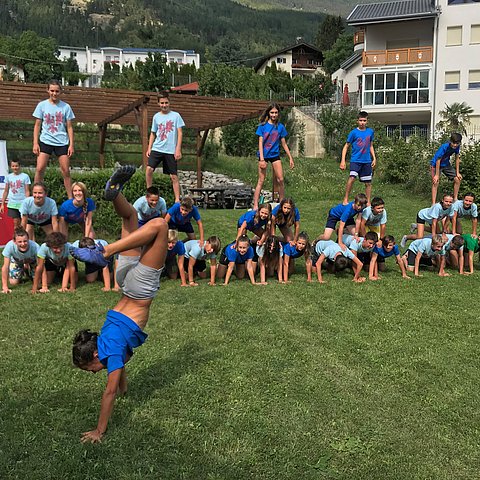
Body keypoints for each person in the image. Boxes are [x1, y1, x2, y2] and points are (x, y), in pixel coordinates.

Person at [70, 165, 168, 444]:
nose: (93, 374)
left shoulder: (109, 354)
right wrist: (124, 388)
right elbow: (121, 362)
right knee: (132, 217)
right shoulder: (106, 339)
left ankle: (106, 250)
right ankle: (115, 196)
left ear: (94, 358)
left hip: (139, 289)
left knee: (160, 226)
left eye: (90, 370)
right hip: (123, 282)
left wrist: (99, 431)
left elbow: (108, 393)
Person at [32, 80, 75, 197]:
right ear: (48, 91)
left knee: (66, 170)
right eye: (52, 91)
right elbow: (37, 125)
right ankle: (36, 194)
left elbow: (70, 127)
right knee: (40, 168)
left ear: (60, 92)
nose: (54, 93)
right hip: (45, 140)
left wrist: (71, 145)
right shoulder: (42, 105)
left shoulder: (66, 107)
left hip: (62, 142)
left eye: (57, 91)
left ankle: (70, 198)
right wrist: (35, 143)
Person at [253, 103, 294, 209]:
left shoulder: (280, 127)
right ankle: (256, 204)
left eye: (276, 112)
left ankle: (282, 204)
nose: (274, 115)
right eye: (272, 112)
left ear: (278, 114)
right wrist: (262, 159)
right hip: (264, 156)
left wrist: (290, 157)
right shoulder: (262, 126)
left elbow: (284, 144)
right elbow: (260, 144)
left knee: (280, 179)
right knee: (261, 180)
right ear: (269, 113)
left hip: (275, 155)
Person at [145, 91, 185, 203]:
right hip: (157, 148)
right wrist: (149, 148)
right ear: (158, 103)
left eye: (166, 102)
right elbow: (153, 133)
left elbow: (180, 133)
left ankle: (177, 199)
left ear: (169, 102)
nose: (164, 105)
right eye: (162, 103)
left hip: (170, 150)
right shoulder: (156, 117)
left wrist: (178, 149)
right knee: (149, 169)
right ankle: (149, 192)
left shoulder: (176, 116)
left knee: (173, 176)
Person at [340, 111, 376, 205]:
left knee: (368, 183)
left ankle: (368, 201)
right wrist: (343, 161)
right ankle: (346, 198)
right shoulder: (353, 133)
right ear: (357, 121)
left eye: (364, 120)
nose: (362, 122)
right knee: (352, 178)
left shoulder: (370, 132)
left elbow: (371, 145)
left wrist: (374, 158)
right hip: (355, 160)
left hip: (367, 161)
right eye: (360, 120)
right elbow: (346, 146)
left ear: (367, 121)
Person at [1, 228, 39, 293]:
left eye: (25, 241)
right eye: (20, 242)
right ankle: (23, 269)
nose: (23, 244)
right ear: (14, 241)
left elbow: (41, 266)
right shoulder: (9, 246)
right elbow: (5, 267)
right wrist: (5, 287)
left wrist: (44, 286)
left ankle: (28, 268)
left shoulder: (35, 246)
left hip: (32, 261)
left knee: (38, 281)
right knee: (13, 282)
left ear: (28, 239)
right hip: (17, 261)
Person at [430, 133, 462, 205]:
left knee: (457, 179)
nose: (455, 145)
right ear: (450, 141)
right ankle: (433, 203)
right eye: (453, 143)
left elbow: (457, 159)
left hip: (446, 165)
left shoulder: (457, 147)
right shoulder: (444, 147)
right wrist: (437, 175)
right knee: (436, 182)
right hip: (435, 165)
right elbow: (438, 160)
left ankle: (455, 199)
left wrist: (457, 173)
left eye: (457, 143)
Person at [0, 160, 31, 229]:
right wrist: (2, 204)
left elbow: (27, 191)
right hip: (12, 203)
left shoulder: (25, 176)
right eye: (13, 166)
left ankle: (24, 238)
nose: (15, 168)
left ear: (19, 166)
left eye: (16, 166)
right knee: (15, 222)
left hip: (23, 203)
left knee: (24, 223)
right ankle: (16, 238)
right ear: (11, 167)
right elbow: (6, 191)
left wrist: (28, 202)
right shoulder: (8, 177)